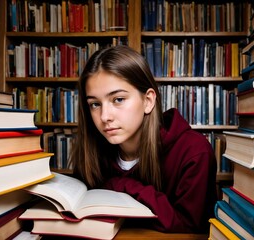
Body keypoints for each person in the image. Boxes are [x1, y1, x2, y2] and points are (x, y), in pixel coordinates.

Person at [70, 45, 217, 233]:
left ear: (148, 101)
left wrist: (121, 185)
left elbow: (190, 230)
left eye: (118, 99)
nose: (105, 116)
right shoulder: (91, 149)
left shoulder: (194, 152)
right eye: (95, 104)